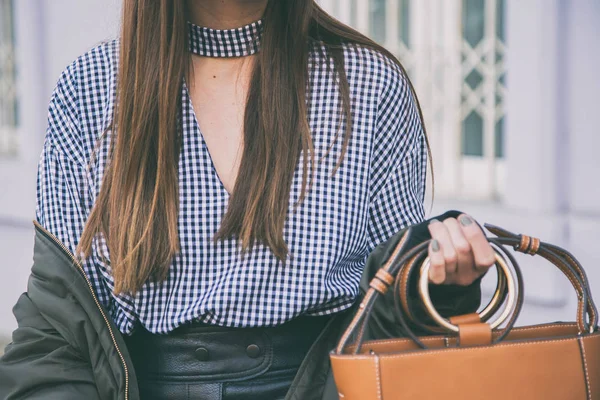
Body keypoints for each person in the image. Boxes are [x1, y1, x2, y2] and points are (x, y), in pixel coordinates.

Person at [0, 1, 496, 399]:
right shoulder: (89, 88)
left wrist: (439, 279)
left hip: (324, 386)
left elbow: (395, 311)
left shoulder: (368, 84)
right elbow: (59, 328)